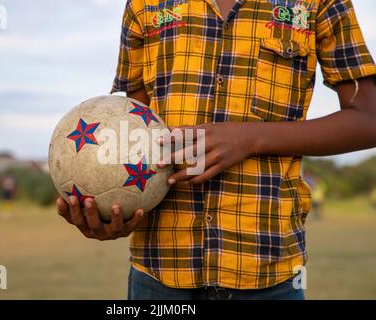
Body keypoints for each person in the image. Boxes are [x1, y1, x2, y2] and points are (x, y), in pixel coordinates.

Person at [56, 0, 376, 300]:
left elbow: (368, 118)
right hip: (159, 274)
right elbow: (135, 130)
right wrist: (117, 208)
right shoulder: (145, 4)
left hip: (270, 271)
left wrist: (251, 138)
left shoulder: (317, 4)